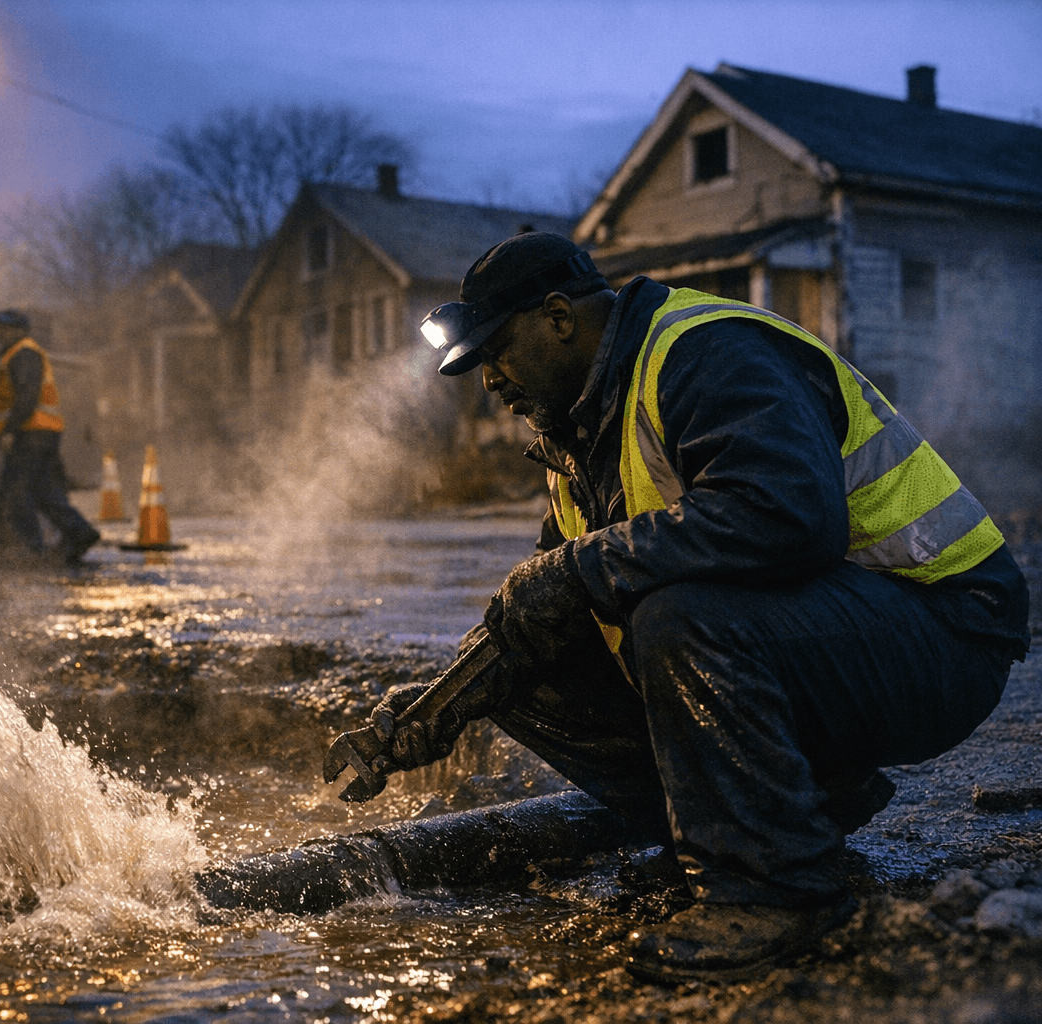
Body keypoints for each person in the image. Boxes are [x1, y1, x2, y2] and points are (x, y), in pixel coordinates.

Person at [370, 232, 1028, 983]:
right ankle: (772, 823)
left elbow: (787, 516)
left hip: (945, 627)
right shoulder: (574, 434)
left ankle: (776, 887)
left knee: (679, 616)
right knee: (525, 655)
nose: (489, 382)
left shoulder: (702, 351)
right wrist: (445, 700)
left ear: (557, 317)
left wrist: (575, 568)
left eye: (496, 352)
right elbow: (556, 604)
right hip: (835, 634)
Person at [0, 310, 100, 565]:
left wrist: (9, 430)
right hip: (43, 433)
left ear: (18, 330)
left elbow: (27, 395)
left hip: (30, 434)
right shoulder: (23, 353)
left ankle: (29, 550)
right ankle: (81, 533)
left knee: (16, 489)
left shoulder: (23, 353)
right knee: (44, 491)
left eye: (4, 329)